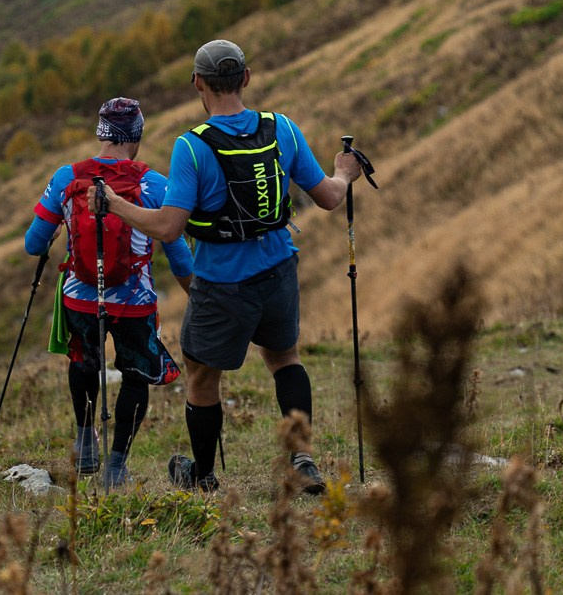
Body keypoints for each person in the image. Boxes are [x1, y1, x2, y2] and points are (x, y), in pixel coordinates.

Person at [89, 40, 362, 494]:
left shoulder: (191, 148)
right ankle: (303, 459)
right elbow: (330, 197)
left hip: (220, 283)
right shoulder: (283, 129)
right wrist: (344, 171)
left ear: (198, 83)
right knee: (285, 358)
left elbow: (171, 228)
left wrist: (116, 204)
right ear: (247, 77)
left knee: (201, 374)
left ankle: (203, 473)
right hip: (279, 271)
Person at [24, 97, 193, 490]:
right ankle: (116, 467)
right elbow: (179, 254)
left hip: (80, 299)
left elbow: (35, 244)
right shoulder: (155, 184)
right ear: (136, 134)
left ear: (100, 132)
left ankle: (85, 441)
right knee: (134, 377)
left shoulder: (67, 176)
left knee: (83, 362)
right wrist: (196, 294)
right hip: (135, 304)